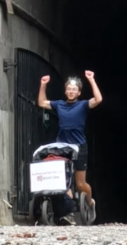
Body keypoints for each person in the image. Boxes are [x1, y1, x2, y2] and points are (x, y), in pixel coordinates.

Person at [37, 70, 102, 225]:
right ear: (65, 91)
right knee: (63, 182)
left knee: (80, 184)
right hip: (63, 147)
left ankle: (90, 202)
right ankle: (68, 210)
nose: (71, 91)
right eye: (69, 89)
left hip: (79, 146)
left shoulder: (83, 105)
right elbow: (41, 103)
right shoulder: (59, 104)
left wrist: (92, 80)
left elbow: (98, 99)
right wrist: (43, 85)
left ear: (79, 92)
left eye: (74, 90)